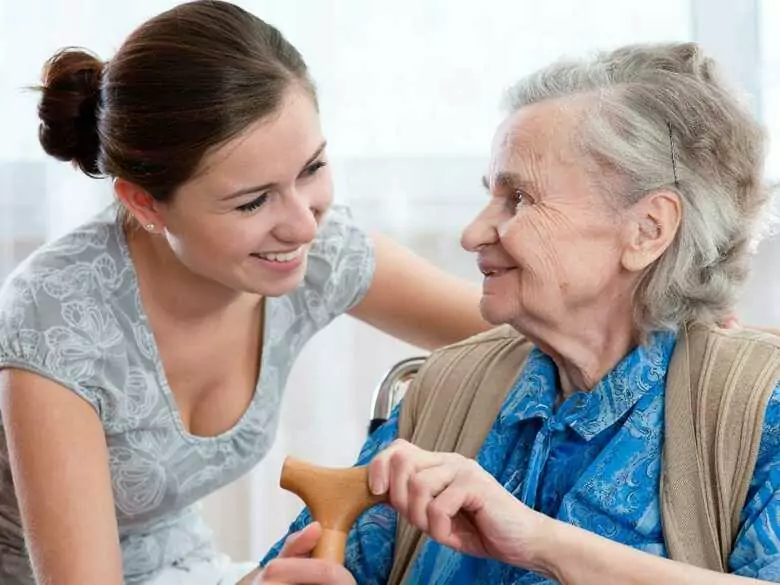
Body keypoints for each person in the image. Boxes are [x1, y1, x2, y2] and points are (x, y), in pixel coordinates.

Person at [0, 2, 492, 584]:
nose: (303, 226)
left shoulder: (318, 252)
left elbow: (528, 330)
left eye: (311, 168)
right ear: (144, 203)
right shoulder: (55, 320)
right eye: (253, 201)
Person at [258, 42, 780, 584]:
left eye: (520, 200)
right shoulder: (449, 388)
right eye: (491, 195)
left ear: (647, 230)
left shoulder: (758, 410)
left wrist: (540, 542)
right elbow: (298, 568)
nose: (472, 234)